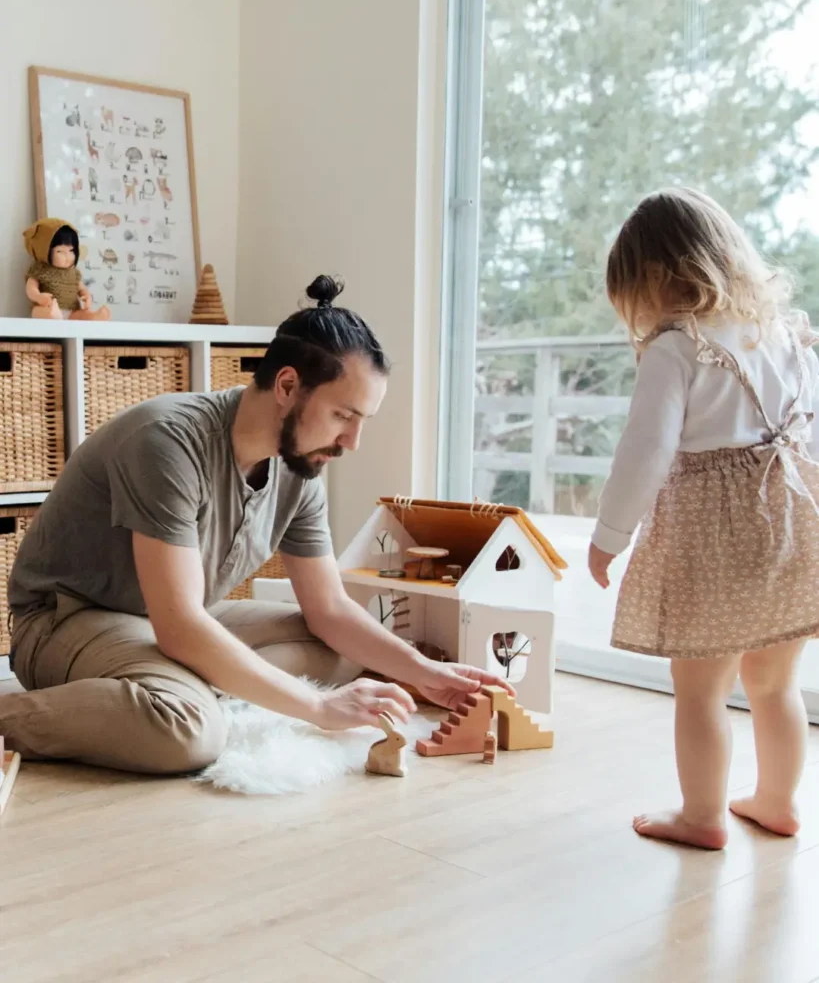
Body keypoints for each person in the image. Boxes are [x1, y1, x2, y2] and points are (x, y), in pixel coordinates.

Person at [2, 274, 513, 775]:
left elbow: (329, 609)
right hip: (67, 620)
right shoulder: (167, 443)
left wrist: (427, 673)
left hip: (170, 621)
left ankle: (182, 686)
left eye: (362, 421)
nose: (352, 441)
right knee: (189, 731)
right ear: (287, 385)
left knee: (339, 653)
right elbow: (179, 626)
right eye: (343, 416)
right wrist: (318, 708)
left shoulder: (299, 468)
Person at [588, 188, 819, 850]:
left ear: (654, 277)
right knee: (774, 682)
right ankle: (776, 802)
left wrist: (609, 537)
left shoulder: (677, 347)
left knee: (699, 688)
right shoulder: (786, 337)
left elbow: (645, 452)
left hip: (714, 538)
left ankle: (701, 816)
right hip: (794, 524)